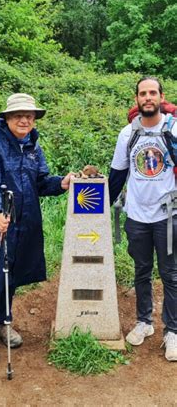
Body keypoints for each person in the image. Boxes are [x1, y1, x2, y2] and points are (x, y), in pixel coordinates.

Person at [0, 93, 72, 363]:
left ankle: (2, 323)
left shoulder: (32, 146)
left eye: (29, 115)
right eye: (18, 115)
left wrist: (61, 183)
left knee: (12, 271)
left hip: (23, 219)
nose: (24, 119)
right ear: (6, 118)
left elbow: (40, 182)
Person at [109, 76, 177, 362]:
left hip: (169, 216)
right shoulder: (127, 134)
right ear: (136, 99)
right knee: (141, 270)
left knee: (171, 274)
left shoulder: (174, 130)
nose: (147, 97)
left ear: (161, 97)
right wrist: (100, 208)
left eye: (152, 93)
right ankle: (144, 322)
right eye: (142, 93)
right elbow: (117, 175)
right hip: (136, 215)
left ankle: (172, 331)